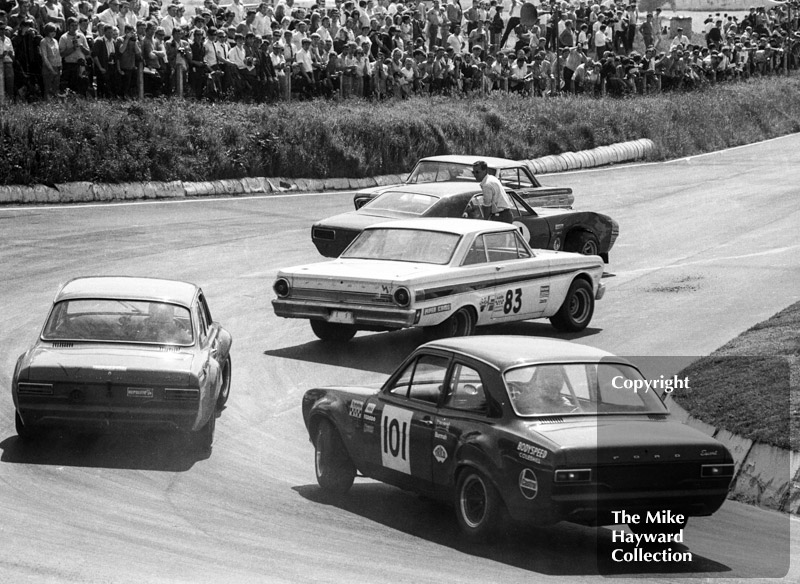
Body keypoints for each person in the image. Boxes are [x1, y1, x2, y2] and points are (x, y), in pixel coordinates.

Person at [510, 366, 575, 414]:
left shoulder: (565, 403)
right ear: (537, 380)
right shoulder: (524, 400)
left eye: (557, 378)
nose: (552, 382)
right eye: (547, 377)